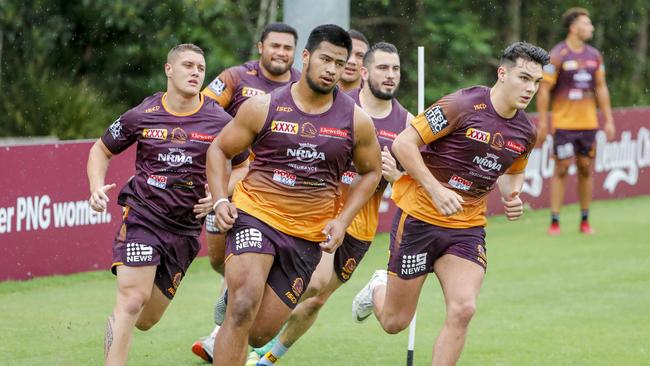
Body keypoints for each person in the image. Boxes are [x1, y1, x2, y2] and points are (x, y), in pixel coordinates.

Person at [352, 41, 549, 366]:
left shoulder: (526, 131)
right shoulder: (463, 104)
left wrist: (512, 196)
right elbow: (404, 144)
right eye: (524, 78)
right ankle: (377, 285)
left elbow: (513, 173)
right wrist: (434, 188)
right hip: (418, 217)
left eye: (536, 82)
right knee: (394, 323)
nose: (530, 89)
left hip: (466, 227)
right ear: (502, 73)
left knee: (463, 308)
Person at [205, 24, 382, 366]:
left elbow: (371, 171)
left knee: (257, 332)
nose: (332, 69)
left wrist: (343, 220)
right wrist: (220, 199)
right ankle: (239, 294)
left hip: (306, 237)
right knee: (242, 310)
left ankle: (239, 297)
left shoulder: (355, 121)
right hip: (255, 215)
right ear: (306, 57)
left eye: (340, 63)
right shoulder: (264, 107)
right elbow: (218, 149)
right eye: (325, 59)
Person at [86, 44, 248, 366]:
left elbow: (244, 165)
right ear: (168, 70)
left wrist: (220, 195)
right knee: (132, 299)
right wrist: (95, 187)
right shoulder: (142, 114)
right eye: (188, 65)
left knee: (146, 318)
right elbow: (101, 149)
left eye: (201, 68)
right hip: (143, 216)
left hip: (186, 229)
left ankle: (116, 327)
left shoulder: (220, 120)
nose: (196, 72)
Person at [255, 41, 413, 365]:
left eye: (395, 69)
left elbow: (417, 184)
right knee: (309, 283)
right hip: (319, 215)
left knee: (315, 300)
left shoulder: (408, 124)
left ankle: (268, 357)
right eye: (383, 68)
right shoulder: (339, 108)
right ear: (365, 72)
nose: (390, 75)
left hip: (360, 230)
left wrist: (398, 175)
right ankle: (245, 329)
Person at [192, 22, 301, 364]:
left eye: (288, 47)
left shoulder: (302, 85)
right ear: (260, 47)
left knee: (250, 259)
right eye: (275, 46)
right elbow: (203, 109)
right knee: (218, 260)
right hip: (228, 179)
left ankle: (223, 331)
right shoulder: (237, 78)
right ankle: (235, 308)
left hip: (270, 192)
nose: (281, 53)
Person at [536, 7, 615, 235]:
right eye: (587, 23)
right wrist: (543, 123)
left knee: (585, 168)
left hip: (589, 124)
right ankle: (554, 221)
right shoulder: (557, 55)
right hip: (564, 124)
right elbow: (543, 91)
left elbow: (601, 88)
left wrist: (608, 120)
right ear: (574, 28)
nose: (591, 27)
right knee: (561, 168)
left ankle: (584, 220)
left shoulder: (594, 56)